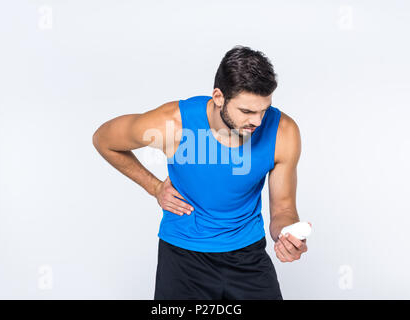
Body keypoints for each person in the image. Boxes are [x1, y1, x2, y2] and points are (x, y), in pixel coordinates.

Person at [92, 45, 310, 300]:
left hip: (247, 255)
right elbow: (104, 139)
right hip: (183, 257)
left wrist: (286, 236)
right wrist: (154, 187)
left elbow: (283, 209)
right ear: (219, 97)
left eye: (264, 110)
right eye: (247, 111)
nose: (258, 122)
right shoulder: (173, 123)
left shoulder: (283, 131)